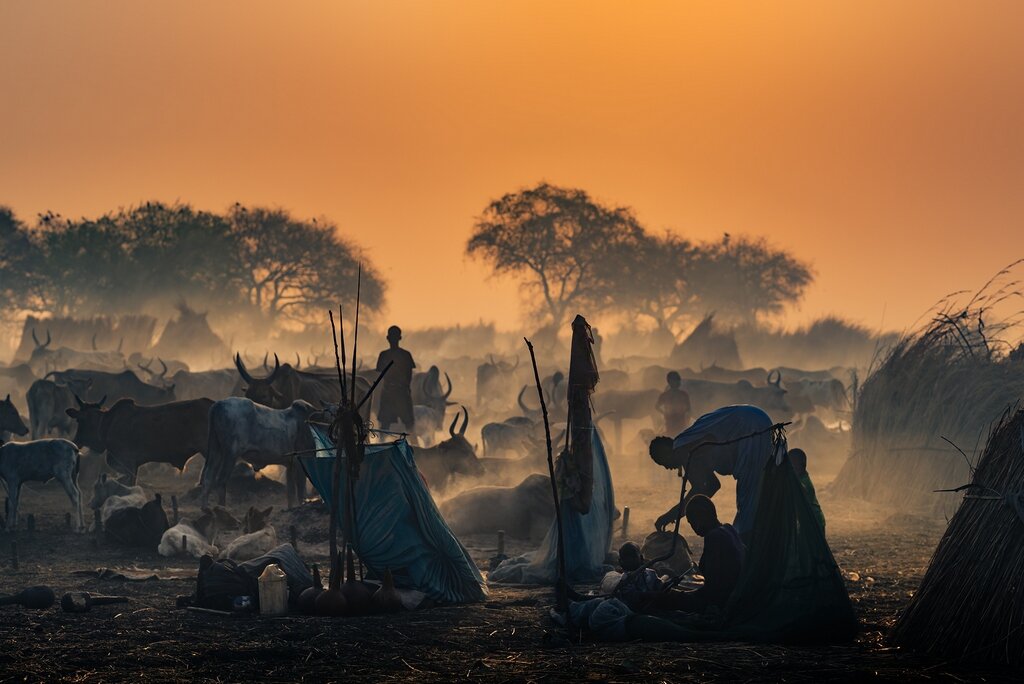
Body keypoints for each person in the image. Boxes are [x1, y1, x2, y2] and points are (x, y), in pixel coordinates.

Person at [649, 404, 779, 544]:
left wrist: (669, 516)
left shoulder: (682, 449)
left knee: (748, 503)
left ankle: (746, 549)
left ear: (666, 454)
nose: (668, 468)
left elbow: (701, 488)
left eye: (663, 464)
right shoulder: (687, 440)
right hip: (759, 418)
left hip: (748, 428)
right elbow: (712, 485)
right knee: (760, 494)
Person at [633, 495, 745, 614]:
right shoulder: (729, 529)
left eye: (692, 522)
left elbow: (713, 589)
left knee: (653, 599)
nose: (693, 528)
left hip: (720, 602)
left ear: (702, 517)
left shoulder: (714, 537)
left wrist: (679, 596)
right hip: (732, 595)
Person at [375, 326, 416, 432]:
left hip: (398, 393)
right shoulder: (387, 355)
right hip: (391, 394)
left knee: (409, 426)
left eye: (394, 337)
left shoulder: (403, 355)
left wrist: (405, 389)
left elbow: (409, 375)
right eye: (392, 337)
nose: (393, 340)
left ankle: (413, 447)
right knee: (385, 426)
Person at [789, 448, 825, 531]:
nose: (790, 468)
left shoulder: (803, 481)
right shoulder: (801, 477)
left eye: (792, 465)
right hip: (809, 520)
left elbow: (802, 489)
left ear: (801, 465)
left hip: (813, 520)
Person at [655, 371, 691, 436]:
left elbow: (657, 407)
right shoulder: (683, 394)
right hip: (674, 421)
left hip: (677, 421)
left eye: (678, 380)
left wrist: (665, 413)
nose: (678, 382)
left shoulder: (666, 395)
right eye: (675, 380)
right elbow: (688, 409)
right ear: (670, 382)